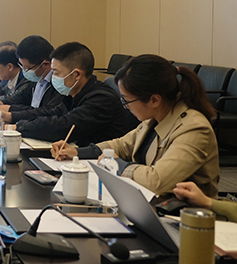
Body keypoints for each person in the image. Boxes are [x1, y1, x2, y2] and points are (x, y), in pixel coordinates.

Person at [53, 55, 219, 197]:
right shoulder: (155, 118)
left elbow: (156, 181)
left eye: (127, 100)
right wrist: (77, 152)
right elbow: (122, 145)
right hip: (147, 202)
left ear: (154, 100)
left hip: (183, 215)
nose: (125, 106)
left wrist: (117, 165)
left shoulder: (193, 129)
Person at [2, 42, 135, 145]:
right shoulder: (74, 93)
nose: (53, 77)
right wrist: (13, 118)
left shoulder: (101, 99)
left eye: (56, 72)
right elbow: (52, 113)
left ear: (76, 74)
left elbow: (63, 126)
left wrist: (19, 127)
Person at [0, 35, 63, 116]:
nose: (24, 70)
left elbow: (47, 112)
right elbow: (21, 96)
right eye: (22, 66)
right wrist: (1, 102)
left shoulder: (59, 84)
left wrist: (10, 111)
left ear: (46, 64)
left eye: (27, 67)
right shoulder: (36, 79)